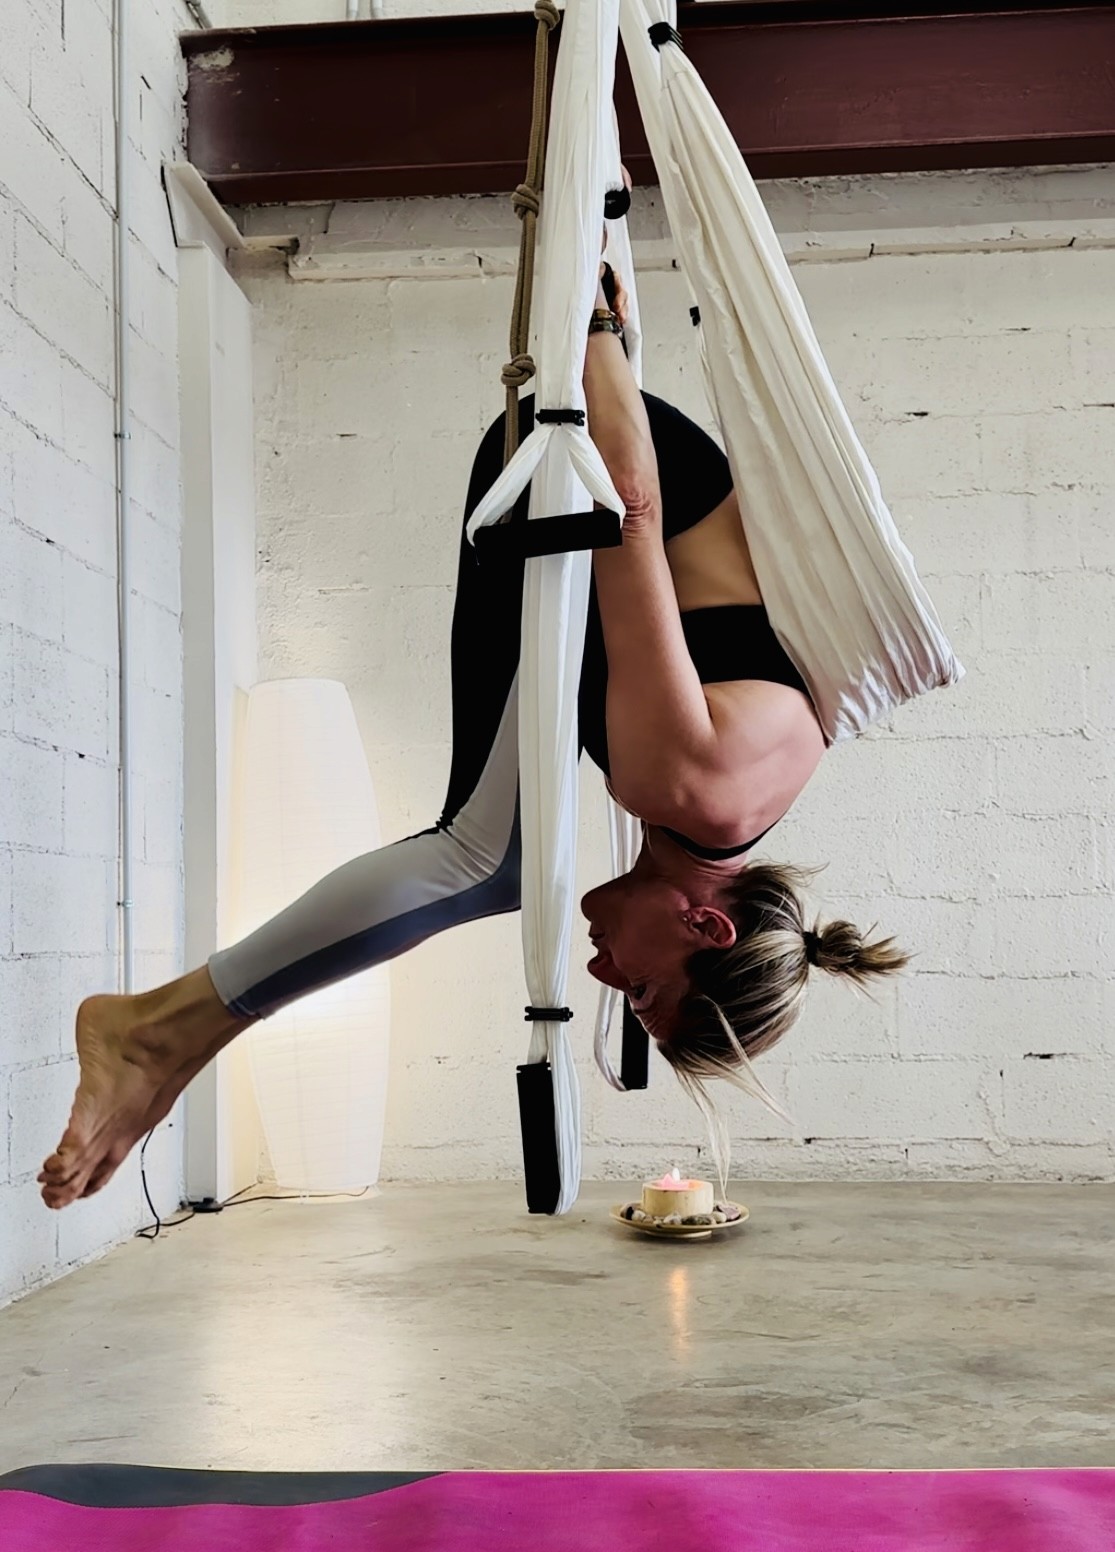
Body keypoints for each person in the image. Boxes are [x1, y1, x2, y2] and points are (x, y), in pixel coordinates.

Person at [39, 252, 906, 1212]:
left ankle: (166, 1036)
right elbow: (629, 505)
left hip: (607, 474)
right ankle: (160, 1032)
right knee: (485, 861)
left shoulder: (732, 810)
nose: (602, 970)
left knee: (508, 858)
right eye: (644, 991)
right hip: (571, 472)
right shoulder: (690, 789)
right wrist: (588, 336)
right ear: (706, 923)